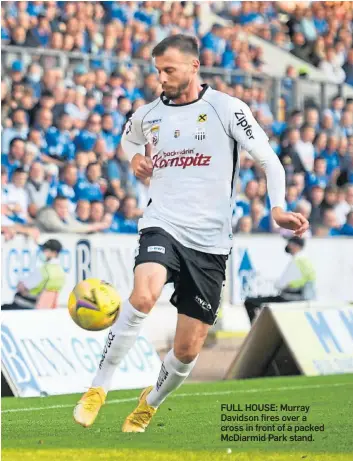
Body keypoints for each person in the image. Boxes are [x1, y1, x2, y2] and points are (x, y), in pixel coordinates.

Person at [73, 34, 308, 432]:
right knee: (143, 295)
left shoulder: (227, 109)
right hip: (162, 222)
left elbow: (269, 160)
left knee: (185, 350)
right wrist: (134, 159)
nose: (161, 77)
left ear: (194, 67)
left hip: (211, 244)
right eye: (157, 70)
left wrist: (277, 207)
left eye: (169, 69)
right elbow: (127, 139)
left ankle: (150, 402)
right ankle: (98, 387)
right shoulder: (148, 114)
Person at [244, 237, 316, 322]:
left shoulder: (297, 260)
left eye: (290, 244)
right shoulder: (306, 260)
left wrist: (276, 285)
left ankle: (257, 330)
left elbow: (282, 284)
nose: (288, 246)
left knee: (250, 302)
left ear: (296, 246)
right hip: (303, 297)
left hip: (292, 297)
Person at [1, 239, 65, 310]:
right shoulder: (61, 272)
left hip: (27, 305)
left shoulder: (43, 271)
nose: (43, 252)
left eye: (46, 250)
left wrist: (21, 285)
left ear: (54, 253)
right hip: (44, 308)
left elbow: (23, 286)